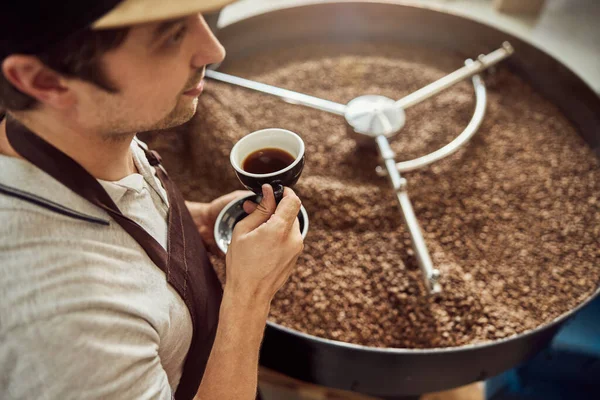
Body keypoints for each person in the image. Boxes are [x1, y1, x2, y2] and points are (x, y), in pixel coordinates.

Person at [0, 1, 304, 399]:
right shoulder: (64, 323)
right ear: (44, 81)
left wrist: (196, 222)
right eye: (172, 35)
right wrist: (249, 295)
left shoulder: (85, 129)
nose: (213, 49)